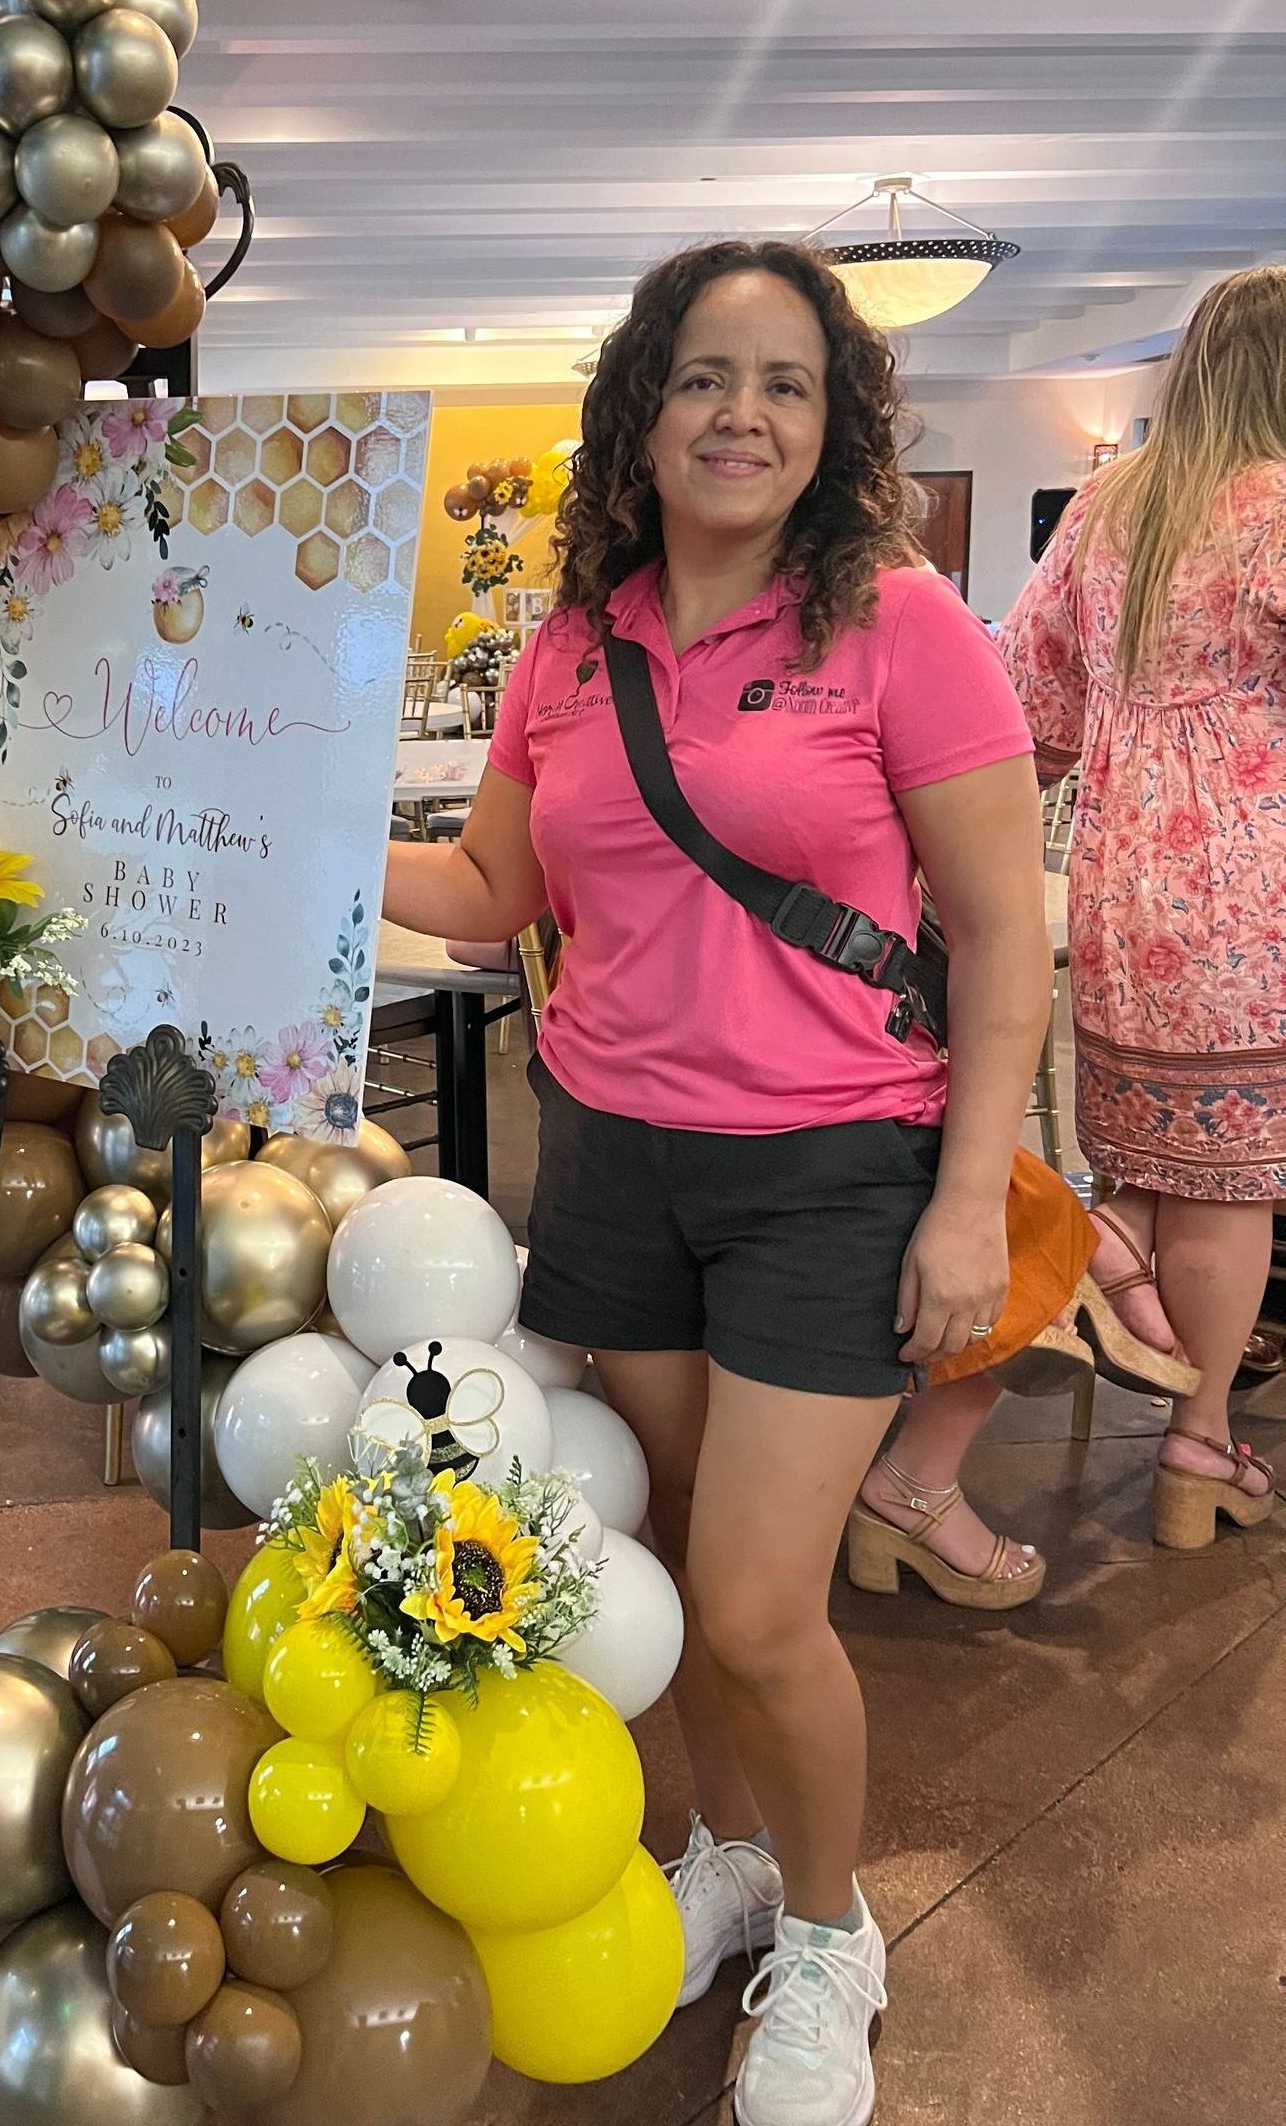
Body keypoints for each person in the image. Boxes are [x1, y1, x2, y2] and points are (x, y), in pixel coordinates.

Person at [384, 240, 1051, 2126]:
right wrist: (299, 836)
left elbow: (1003, 934)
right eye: (702, 377)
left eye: (783, 383)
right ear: (641, 407)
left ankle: (833, 1930)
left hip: (833, 1171)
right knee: (676, 1566)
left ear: (833, 424)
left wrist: (965, 1191)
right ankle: (734, 1860)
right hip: (606, 1155)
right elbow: (495, 895)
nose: (739, 414)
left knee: (764, 1606)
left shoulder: (899, 624)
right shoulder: (572, 645)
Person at [1001, 265, 1286, 1551]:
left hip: (1122, 879)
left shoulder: (1113, 501)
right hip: (1260, 886)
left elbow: (1027, 706)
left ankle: (1098, 1262)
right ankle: (1199, 1444)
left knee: (1153, 1160)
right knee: (1229, 1180)